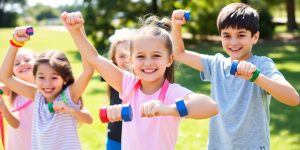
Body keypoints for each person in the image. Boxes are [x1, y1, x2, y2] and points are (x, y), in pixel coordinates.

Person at [61, 11, 219, 150]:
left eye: (156, 55)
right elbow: (94, 58)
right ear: (131, 60)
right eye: (141, 56)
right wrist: (75, 31)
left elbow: (211, 107)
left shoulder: (172, 93)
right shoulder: (128, 85)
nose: (148, 62)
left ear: (169, 59)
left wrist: (167, 109)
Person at [171, 3, 300, 150]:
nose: (233, 42)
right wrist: (176, 26)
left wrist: (256, 77)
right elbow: (179, 53)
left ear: (255, 37)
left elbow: (293, 98)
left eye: (241, 35)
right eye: (227, 35)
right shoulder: (216, 64)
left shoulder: (262, 65)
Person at [0, 26, 94, 150]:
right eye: (42, 77)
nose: (47, 84)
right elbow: (5, 77)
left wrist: (77, 31)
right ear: (35, 77)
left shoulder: (69, 96)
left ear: (64, 79)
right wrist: (15, 43)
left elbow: (88, 70)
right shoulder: (37, 95)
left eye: (54, 78)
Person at [104, 28, 133, 150]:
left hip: (136, 139)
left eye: (130, 55)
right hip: (115, 137)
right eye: (122, 56)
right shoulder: (112, 76)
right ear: (114, 59)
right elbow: (93, 59)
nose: (127, 60)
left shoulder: (143, 78)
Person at [0, 48, 35, 150]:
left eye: (27, 60)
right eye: (16, 64)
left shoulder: (45, 90)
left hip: (36, 143)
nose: (22, 64)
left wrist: (3, 107)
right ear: (12, 72)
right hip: (18, 144)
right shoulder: (12, 90)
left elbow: (16, 124)